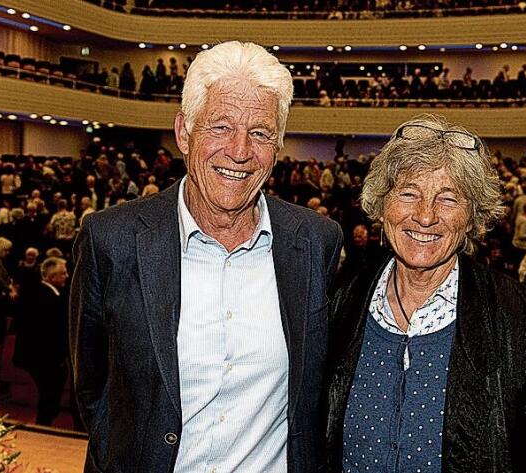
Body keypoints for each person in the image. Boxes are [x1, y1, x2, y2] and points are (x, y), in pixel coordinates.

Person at [70, 41, 343, 472]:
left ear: (278, 145)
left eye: (260, 133)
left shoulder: (315, 242)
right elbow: (92, 389)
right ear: (184, 132)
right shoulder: (112, 239)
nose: (239, 150)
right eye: (220, 126)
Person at [325, 114, 526, 472]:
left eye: (448, 199)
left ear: (472, 217)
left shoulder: (522, 320)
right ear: (381, 205)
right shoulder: (341, 297)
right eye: (408, 193)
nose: (425, 215)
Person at [13, 257, 69, 425]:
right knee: (49, 395)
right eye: (63, 273)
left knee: (49, 395)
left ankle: (44, 422)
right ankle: (44, 425)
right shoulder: (50, 298)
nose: (67, 275)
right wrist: (60, 357)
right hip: (44, 358)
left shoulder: (33, 292)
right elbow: (53, 332)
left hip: (34, 355)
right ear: (51, 277)